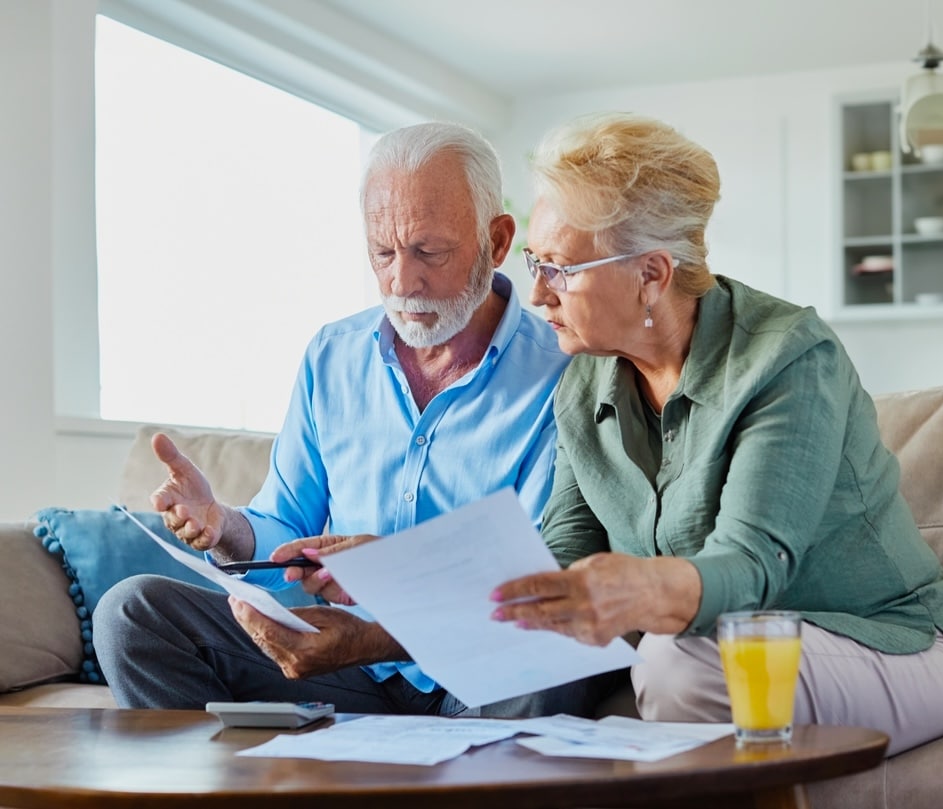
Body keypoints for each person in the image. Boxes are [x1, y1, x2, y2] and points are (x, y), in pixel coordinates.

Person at [490, 112, 943, 755]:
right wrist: (433, 585)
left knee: (679, 663)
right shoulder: (583, 385)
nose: (537, 293)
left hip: (899, 648)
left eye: (559, 267)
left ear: (651, 274)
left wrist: (639, 591)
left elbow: (755, 565)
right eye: (535, 261)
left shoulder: (787, 356)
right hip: (727, 651)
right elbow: (562, 548)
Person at [93, 121, 614, 718]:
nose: (402, 280)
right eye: (383, 252)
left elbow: (536, 576)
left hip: (478, 672)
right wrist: (226, 528)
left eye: (429, 252)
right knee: (132, 615)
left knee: (556, 656)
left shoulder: (565, 371)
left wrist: (394, 581)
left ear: (496, 242)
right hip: (340, 665)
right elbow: (286, 525)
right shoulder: (332, 355)